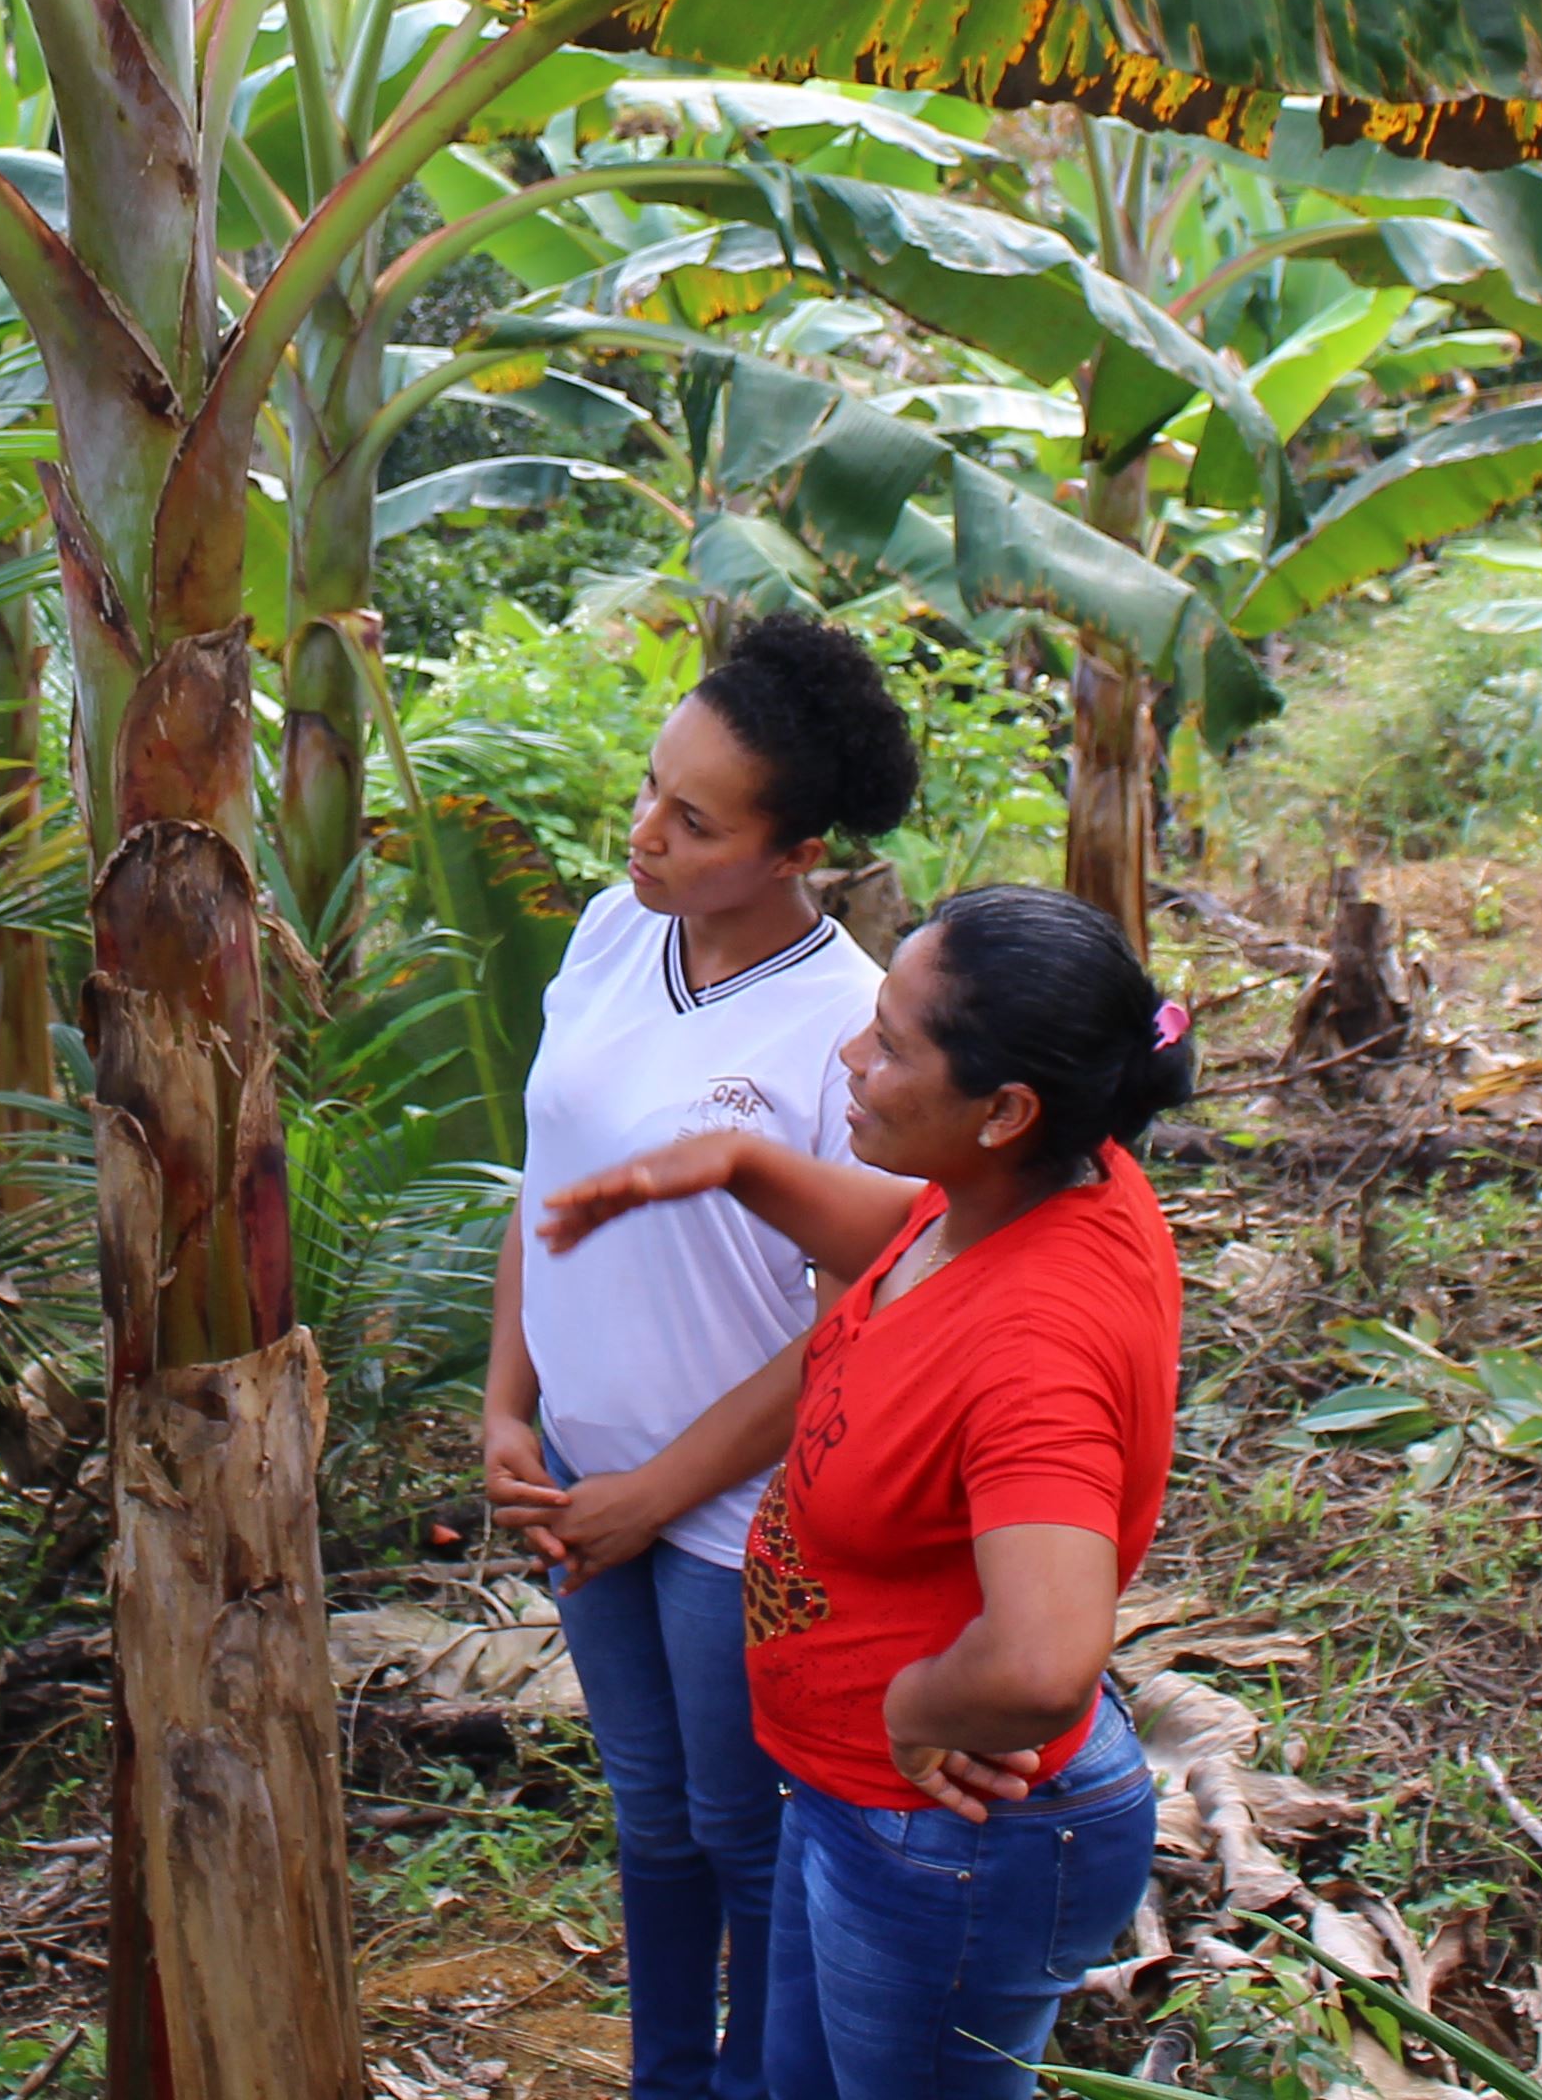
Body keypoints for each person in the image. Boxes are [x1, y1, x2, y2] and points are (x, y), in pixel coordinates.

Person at [534, 881, 1195, 2100]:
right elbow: (907, 1236)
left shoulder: (1035, 1344)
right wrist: (737, 1165)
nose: (851, 1051)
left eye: (890, 1045)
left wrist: (915, 1704)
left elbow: (1047, 1659)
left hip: (943, 1838)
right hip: (862, 1809)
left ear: (1004, 1109)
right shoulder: (1044, 1181)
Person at [480, 612, 924, 2100]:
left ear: (795, 849)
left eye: (694, 819)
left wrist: (656, 1491)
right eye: (650, 788)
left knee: (745, 1829)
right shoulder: (616, 934)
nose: (645, 834)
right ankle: (669, 2076)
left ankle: (761, 2083)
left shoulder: (847, 1027)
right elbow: (542, 1181)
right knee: (649, 1816)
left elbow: (851, 1325)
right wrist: (508, 1408)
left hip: (735, 1513)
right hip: (585, 1476)